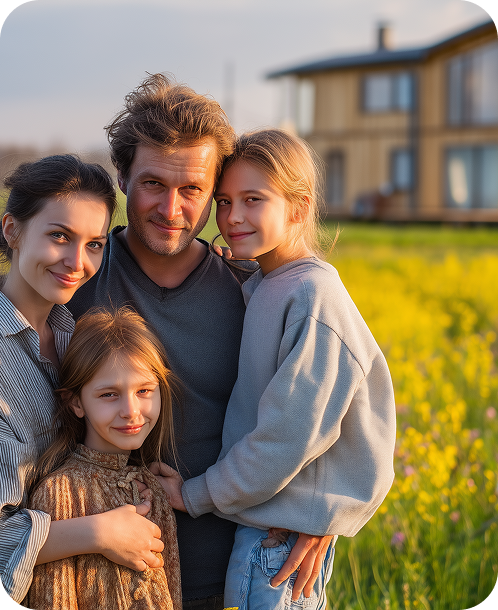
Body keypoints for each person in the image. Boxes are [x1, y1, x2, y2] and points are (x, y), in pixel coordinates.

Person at [67, 73, 334, 609]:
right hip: (104, 579)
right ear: (122, 177)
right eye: (152, 184)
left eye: (192, 190)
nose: (171, 209)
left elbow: (326, 406)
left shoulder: (254, 289)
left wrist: (322, 510)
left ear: (215, 192)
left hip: (233, 575)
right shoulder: (77, 282)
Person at [155, 128, 397, 610]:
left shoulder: (313, 297)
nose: (232, 217)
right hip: (268, 527)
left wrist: (196, 494)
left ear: (300, 208)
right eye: (224, 201)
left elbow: (287, 436)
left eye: (253, 199)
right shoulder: (271, 283)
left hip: (279, 542)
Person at [0, 155, 165, 606]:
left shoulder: (74, 334)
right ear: (11, 229)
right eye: (59, 236)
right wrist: (100, 531)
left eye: (94, 244)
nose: (78, 262)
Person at [24, 308, 182, 610]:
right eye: (109, 394)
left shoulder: (152, 488)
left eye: (145, 390)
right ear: (76, 402)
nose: (131, 410)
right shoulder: (61, 493)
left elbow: (170, 594)